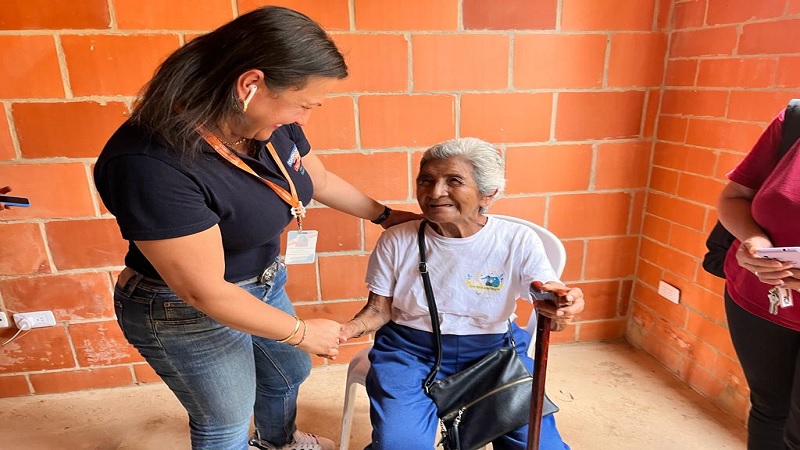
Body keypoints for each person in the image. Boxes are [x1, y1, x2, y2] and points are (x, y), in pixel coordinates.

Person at [93, 6, 416, 450]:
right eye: (303, 105)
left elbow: (315, 179)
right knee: (225, 416)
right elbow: (203, 290)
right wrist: (302, 332)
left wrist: (385, 215)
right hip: (182, 308)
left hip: (262, 280)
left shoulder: (261, 123)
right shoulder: (150, 164)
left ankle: (276, 442)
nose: (304, 120)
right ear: (250, 85)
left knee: (288, 370)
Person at [339, 137, 585, 449]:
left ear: (488, 193)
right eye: (426, 180)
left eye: (453, 181)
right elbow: (378, 310)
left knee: (539, 445)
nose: (435, 192)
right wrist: (346, 330)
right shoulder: (397, 240)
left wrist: (563, 307)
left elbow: (549, 299)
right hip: (409, 353)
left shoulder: (517, 239)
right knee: (400, 445)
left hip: (494, 355)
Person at [717, 108, 800, 449]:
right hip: (759, 299)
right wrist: (754, 240)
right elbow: (734, 197)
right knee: (769, 409)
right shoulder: (794, 121)